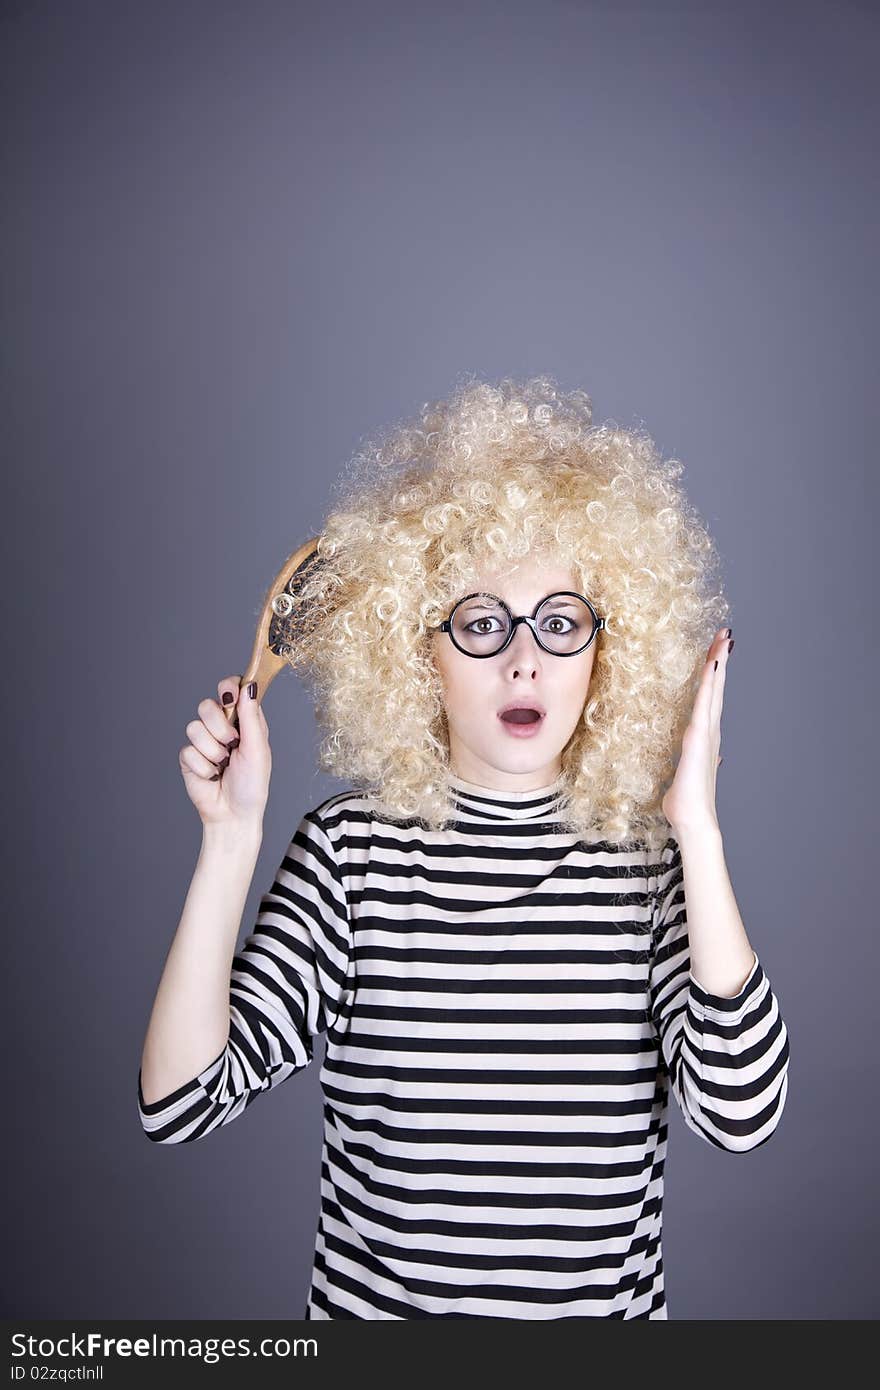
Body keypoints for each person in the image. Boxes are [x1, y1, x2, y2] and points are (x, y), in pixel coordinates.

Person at [138, 374, 790, 1319]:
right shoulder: (350, 857)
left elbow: (742, 1117)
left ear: (608, 650)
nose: (524, 658)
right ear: (418, 651)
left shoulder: (649, 866)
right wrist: (230, 842)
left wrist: (697, 830)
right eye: (481, 622)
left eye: (560, 623)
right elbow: (180, 1104)